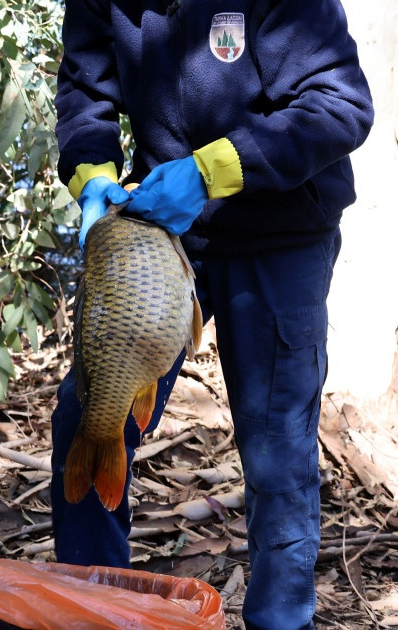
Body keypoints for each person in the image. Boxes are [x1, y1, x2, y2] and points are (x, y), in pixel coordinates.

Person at [50, 2, 374, 629]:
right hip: (160, 232)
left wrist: (210, 173)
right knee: (85, 415)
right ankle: (93, 612)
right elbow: (84, 92)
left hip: (280, 228)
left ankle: (281, 621)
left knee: (278, 448)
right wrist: (92, 174)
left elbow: (341, 105)